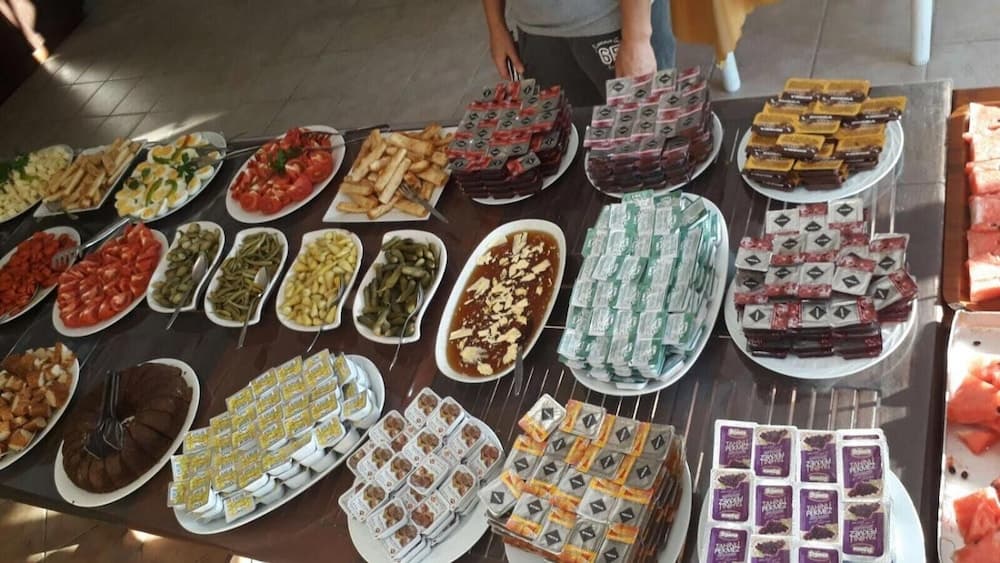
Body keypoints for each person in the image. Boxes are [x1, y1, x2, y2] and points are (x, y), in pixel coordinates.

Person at [482, 0, 675, 107]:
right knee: (570, 141)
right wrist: (495, 23)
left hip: (616, 20)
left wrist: (636, 37)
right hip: (535, 28)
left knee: (645, 139)